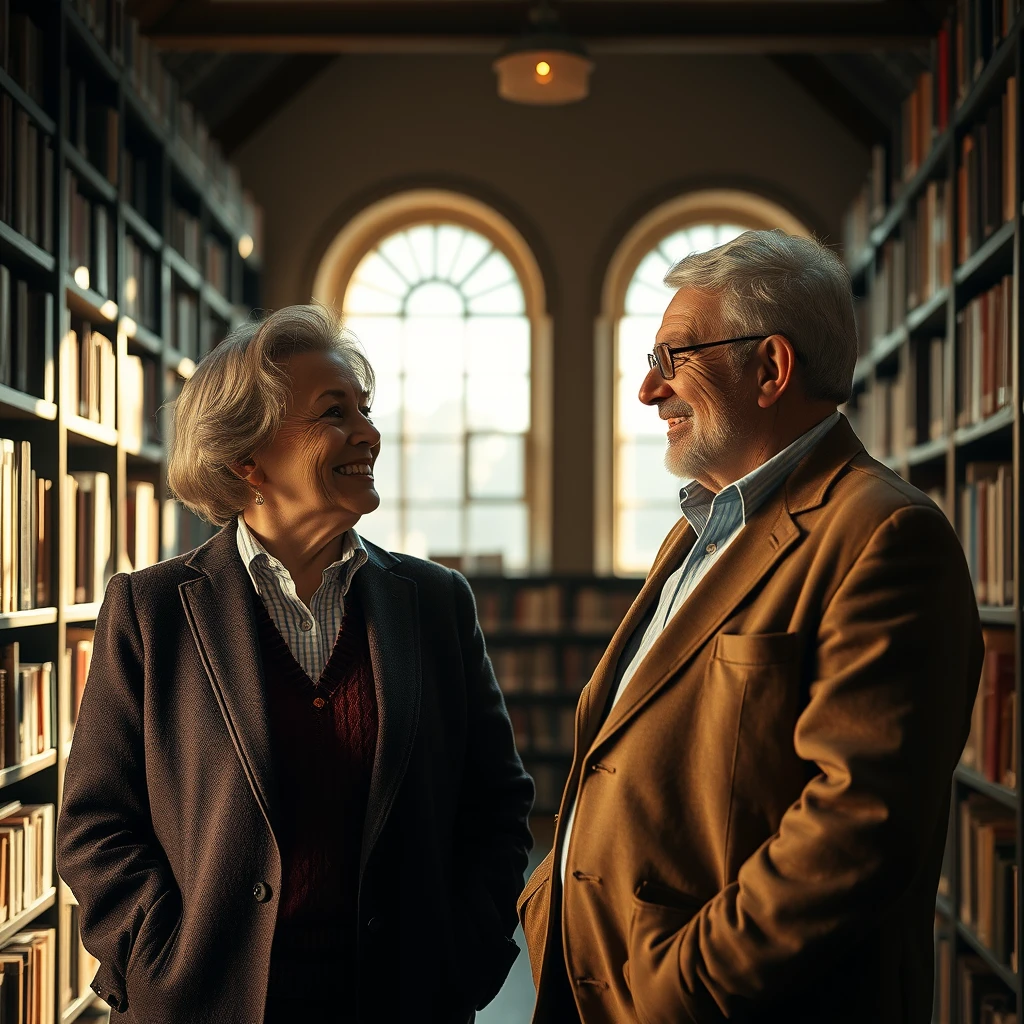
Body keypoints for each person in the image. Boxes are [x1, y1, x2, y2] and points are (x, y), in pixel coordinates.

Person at [519, 229, 983, 1023]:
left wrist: (677, 989)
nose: (646, 391)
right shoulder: (704, 526)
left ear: (770, 367)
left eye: (673, 358)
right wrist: (551, 900)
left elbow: (856, 827)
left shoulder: (884, 535)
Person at [56, 302, 534, 1024]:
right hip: (206, 1001)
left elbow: (495, 807)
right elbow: (95, 824)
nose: (368, 433)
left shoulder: (436, 605)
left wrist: (464, 960)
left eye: (365, 410)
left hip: (404, 1001)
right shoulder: (151, 611)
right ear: (248, 457)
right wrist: (158, 960)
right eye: (334, 412)